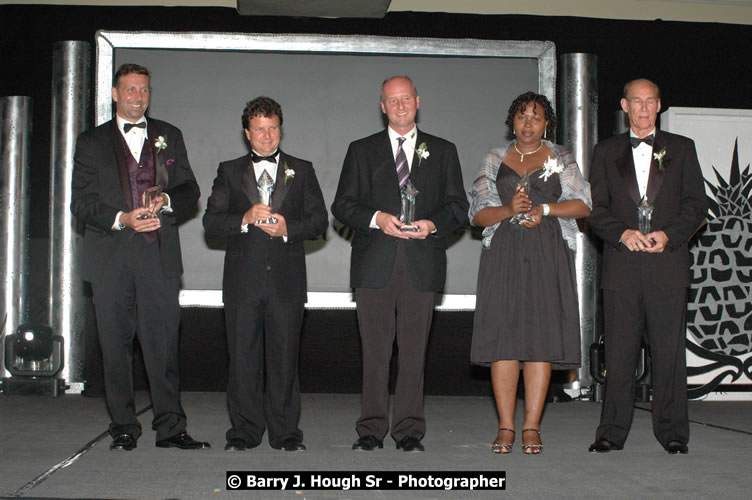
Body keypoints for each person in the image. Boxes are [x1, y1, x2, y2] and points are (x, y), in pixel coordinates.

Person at [71, 63, 209, 451]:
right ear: (115, 94)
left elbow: (190, 190)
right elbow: (80, 203)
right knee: (115, 346)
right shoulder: (91, 142)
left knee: (163, 345)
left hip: (159, 258)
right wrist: (121, 218)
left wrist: (166, 199)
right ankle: (124, 427)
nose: (138, 97)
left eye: (144, 90)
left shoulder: (170, 135)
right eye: (130, 90)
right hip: (110, 260)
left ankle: (170, 427)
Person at [331, 76, 468, 453]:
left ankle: (409, 431)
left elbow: (459, 207)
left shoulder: (443, 150)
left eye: (406, 98)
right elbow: (342, 206)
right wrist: (377, 218)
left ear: (418, 101)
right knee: (374, 354)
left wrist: (432, 223)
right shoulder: (361, 150)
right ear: (382, 106)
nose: (401, 106)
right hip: (374, 266)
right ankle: (371, 430)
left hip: (422, 266)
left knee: (413, 354)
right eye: (393, 101)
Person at [587, 79, 707, 454]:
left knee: (668, 353)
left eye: (650, 101)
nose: (643, 108)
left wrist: (669, 235)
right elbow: (596, 209)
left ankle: (673, 433)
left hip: (667, 265)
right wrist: (622, 233)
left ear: (659, 105)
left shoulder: (682, 148)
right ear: (624, 105)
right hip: (621, 267)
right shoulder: (605, 151)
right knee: (620, 353)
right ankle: (611, 433)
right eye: (636, 101)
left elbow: (696, 205)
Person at [468, 91, 591, 454]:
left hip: (547, 254)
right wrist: (507, 209)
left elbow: (584, 204)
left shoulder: (561, 157)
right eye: (522, 116)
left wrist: (547, 210)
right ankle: (506, 426)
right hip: (503, 254)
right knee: (504, 341)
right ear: (512, 121)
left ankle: (532, 427)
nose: (528, 123)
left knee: (540, 341)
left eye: (536, 117)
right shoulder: (494, 158)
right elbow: (476, 214)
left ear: (547, 123)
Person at [203, 97, 328, 453]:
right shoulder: (229, 170)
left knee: (285, 361)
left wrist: (288, 228)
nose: (267, 136)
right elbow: (211, 222)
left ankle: (287, 434)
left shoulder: (301, 169)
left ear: (280, 128)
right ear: (247, 133)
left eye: (273, 127)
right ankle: (243, 433)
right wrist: (243, 220)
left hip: (287, 283)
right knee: (242, 361)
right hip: (242, 284)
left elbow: (320, 222)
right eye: (259, 129)